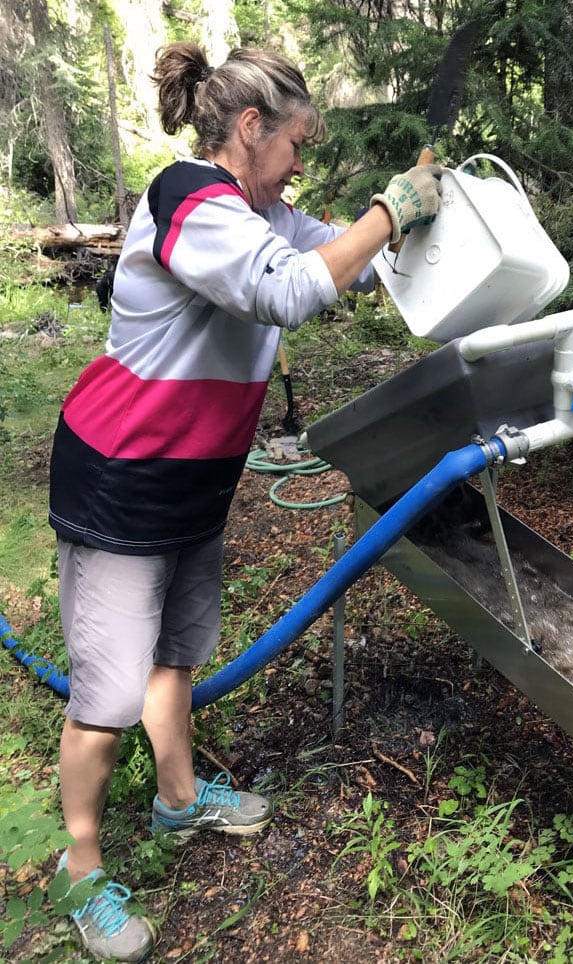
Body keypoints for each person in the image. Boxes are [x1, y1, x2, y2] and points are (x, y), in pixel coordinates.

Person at [48, 41, 441, 962]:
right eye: (297, 142)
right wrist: (389, 212)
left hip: (193, 478)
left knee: (178, 654)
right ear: (251, 128)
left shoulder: (265, 215)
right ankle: (79, 868)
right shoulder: (190, 202)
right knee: (104, 695)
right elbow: (289, 292)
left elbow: (348, 266)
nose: (301, 163)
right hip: (121, 476)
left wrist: (424, 216)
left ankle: (180, 801)